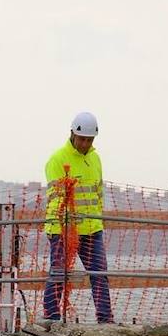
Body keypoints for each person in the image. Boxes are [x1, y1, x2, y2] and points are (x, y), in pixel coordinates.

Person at [42, 112, 114, 323]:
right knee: (59, 273)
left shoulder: (95, 158)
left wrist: (98, 219)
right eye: (82, 139)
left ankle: (105, 318)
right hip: (64, 229)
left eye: (89, 140)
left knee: (100, 274)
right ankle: (52, 317)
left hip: (92, 229)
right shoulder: (57, 159)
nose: (85, 143)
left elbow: (98, 192)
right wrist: (65, 224)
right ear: (72, 134)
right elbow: (56, 197)